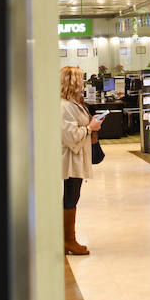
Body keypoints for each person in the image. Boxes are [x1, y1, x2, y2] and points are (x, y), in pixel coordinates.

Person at [61, 66, 104, 255]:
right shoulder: (65, 107)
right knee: (70, 196)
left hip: (76, 157)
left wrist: (91, 123)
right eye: (81, 81)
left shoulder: (73, 104)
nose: (84, 85)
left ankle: (68, 239)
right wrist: (90, 127)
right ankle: (68, 240)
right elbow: (70, 136)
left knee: (73, 195)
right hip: (70, 158)